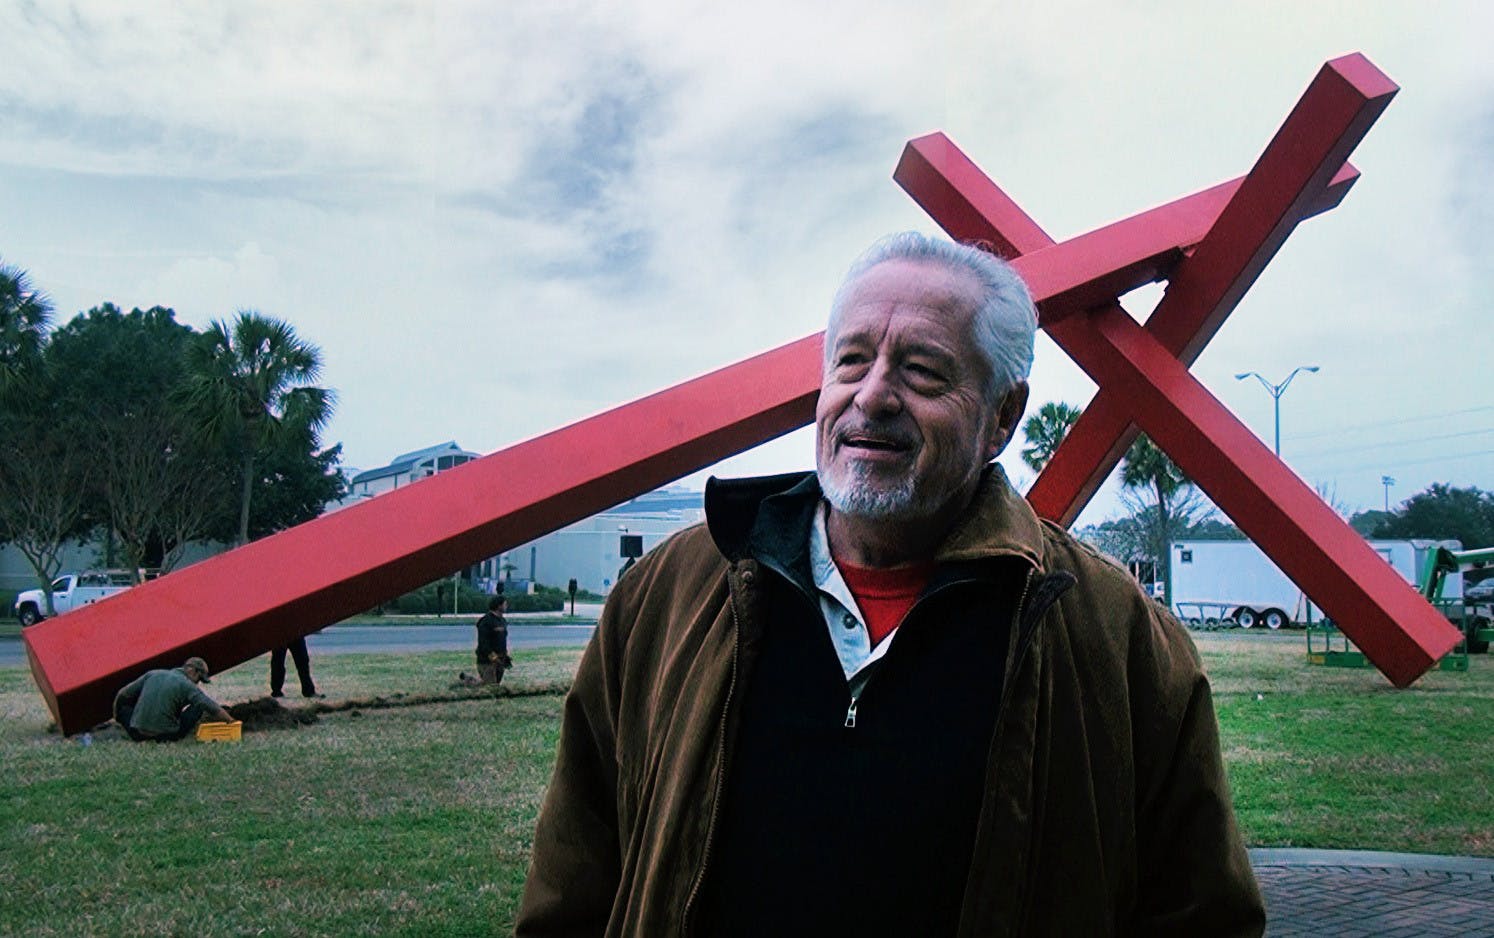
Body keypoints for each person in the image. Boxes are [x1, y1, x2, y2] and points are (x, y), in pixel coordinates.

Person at [515, 232, 1265, 937]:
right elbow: (574, 882)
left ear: (1002, 417)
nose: (871, 396)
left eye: (922, 371)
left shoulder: (1115, 635)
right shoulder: (666, 598)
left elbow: (1202, 914)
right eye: (851, 362)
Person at [113, 656, 233, 742]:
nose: (198, 683)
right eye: (199, 679)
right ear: (192, 671)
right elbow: (211, 707)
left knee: (125, 709)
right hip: (165, 736)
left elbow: (122, 694)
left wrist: (117, 715)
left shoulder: (152, 674)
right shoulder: (187, 685)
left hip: (137, 733)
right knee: (198, 706)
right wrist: (232, 722)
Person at [474, 595, 511, 685]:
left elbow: (502, 640)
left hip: (500, 660)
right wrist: (493, 657)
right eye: (505, 604)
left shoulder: (502, 621)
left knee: (495, 685)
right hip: (486, 661)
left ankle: (471, 682)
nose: (507, 606)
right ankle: (467, 682)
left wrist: (505, 657)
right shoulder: (486, 621)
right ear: (499, 606)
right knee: (490, 686)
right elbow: (483, 643)